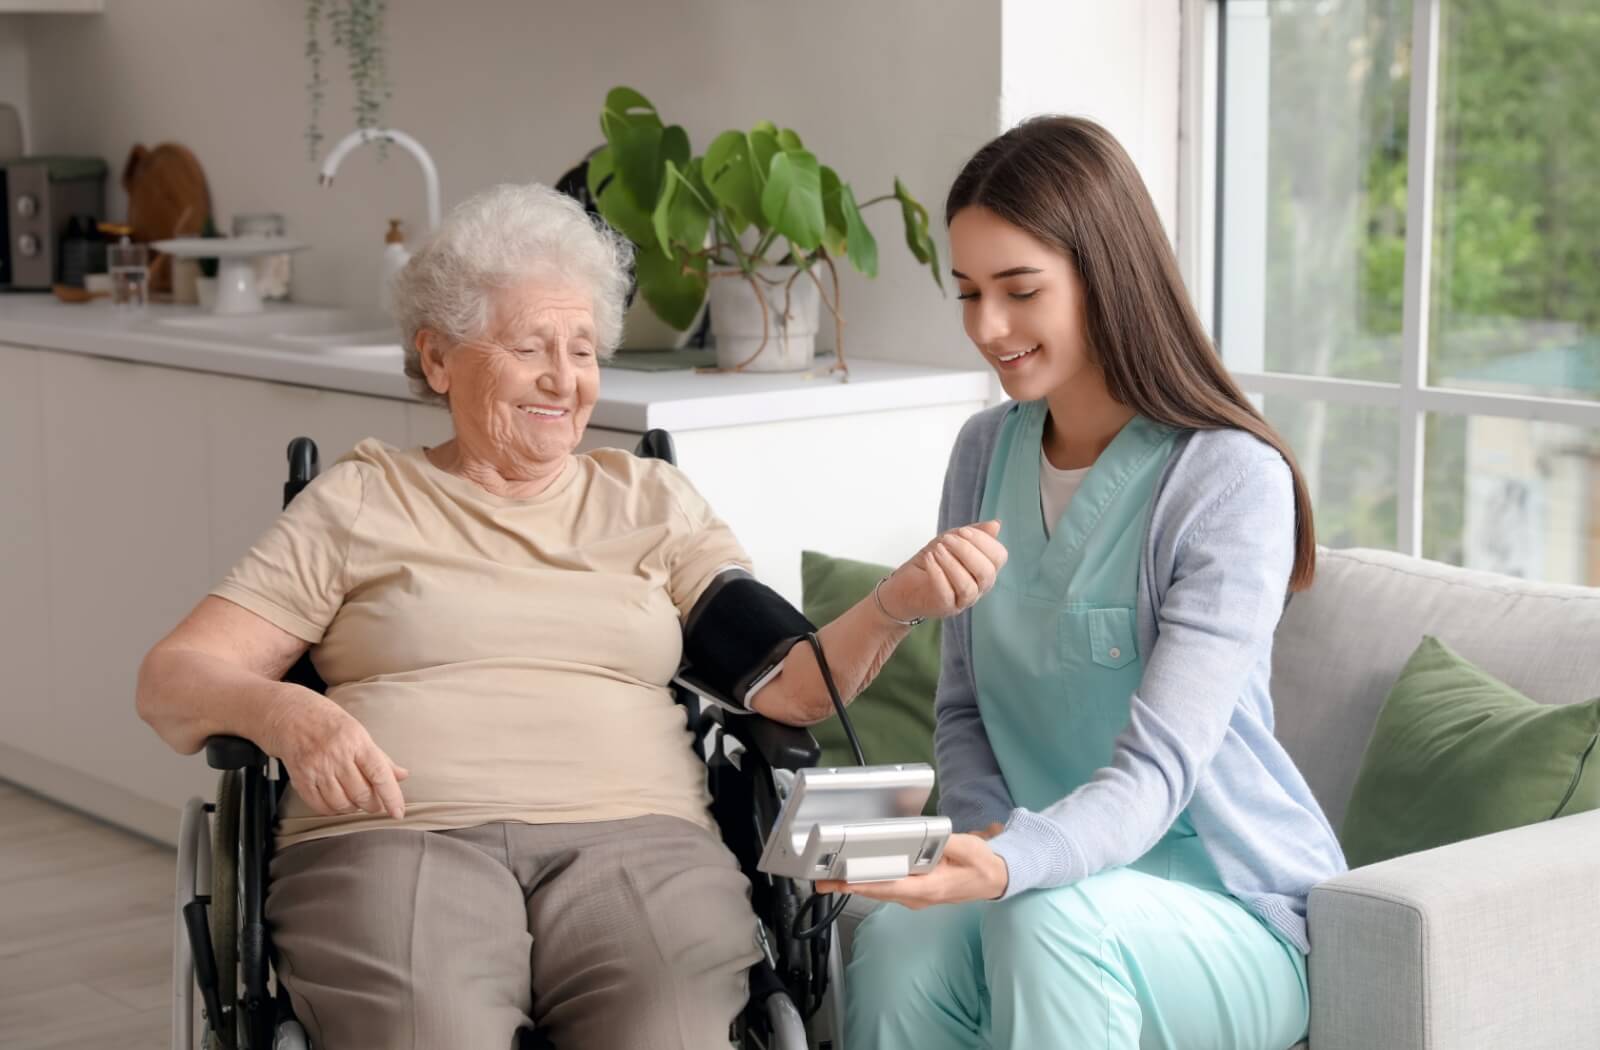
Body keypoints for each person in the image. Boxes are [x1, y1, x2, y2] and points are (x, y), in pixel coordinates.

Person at [135, 182, 1007, 1050]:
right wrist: (289, 715)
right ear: (438, 359)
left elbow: (792, 686)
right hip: (396, 838)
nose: (565, 379)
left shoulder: (651, 501)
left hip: (640, 840)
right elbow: (174, 681)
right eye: (529, 347)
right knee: (425, 1031)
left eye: (584, 349)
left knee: (664, 1027)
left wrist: (897, 604)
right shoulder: (361, 499)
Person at [826, 117, 1347, 1050]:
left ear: (1105, 276)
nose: (988, 328)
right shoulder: (982, 451)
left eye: (1020, 291)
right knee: (902, 948)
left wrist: (1007, 869)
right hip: (1038, 879)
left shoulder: (1227, 479)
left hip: (1226, 911)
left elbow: (1158, 774)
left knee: (1045, 922)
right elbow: (965, 710)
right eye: (969, 292)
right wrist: (982, 843)